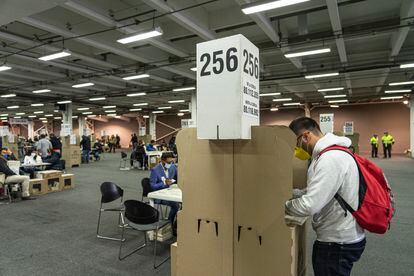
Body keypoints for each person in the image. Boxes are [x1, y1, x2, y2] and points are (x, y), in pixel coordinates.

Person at [285, 117, 365, 276]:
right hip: (339, 237)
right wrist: (292, 194)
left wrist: (280, 205)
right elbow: (319, 191)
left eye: (297, 144)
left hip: (337, 242)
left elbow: (310, 205)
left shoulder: (331, 158)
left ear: (306, 136)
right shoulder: (325, 155)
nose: (297, 150)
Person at [149, 152, 179, 223]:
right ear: (162, 160)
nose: (170, 164)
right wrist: (164, 183)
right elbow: (152, 186)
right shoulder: (155, 170)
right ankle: (169, 223)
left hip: (170, 191)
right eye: (168, 162)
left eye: (172, 162)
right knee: (175, 205)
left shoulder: (173, 167)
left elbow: (177, 179)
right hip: (159, 196)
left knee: (184, 202)